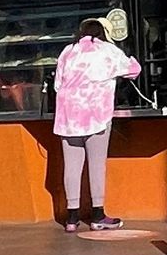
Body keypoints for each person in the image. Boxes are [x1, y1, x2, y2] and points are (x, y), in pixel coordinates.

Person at [51, 18, 141, 232]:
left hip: (68, 117)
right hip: (96, 115)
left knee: (71, 166)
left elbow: (57, 84)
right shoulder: (108, 50)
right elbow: (133, 70)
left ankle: (71, 218)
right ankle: (98, 215)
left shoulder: (67, 51)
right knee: (96, 164)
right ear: (104, 33)